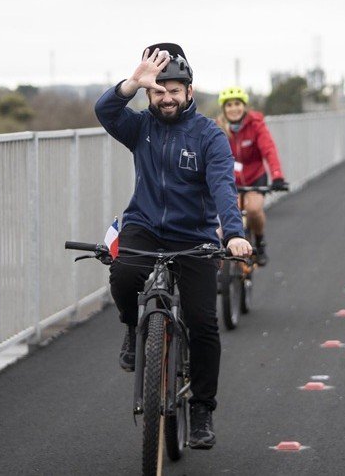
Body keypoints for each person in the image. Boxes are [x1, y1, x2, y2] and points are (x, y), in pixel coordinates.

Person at [95, 43, 251, 450]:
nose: (166, 98)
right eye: (158, 91)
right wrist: (132, 82)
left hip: (195, 235)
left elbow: (222, 184)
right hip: (144, 225)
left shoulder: (208, 136)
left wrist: (233, 233)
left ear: (189, 91)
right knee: (125, 273)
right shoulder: (140, 127)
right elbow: (105, 112)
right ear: (150, 94)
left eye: (174, 90)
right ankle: (133, 327)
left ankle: (201, 410)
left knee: (203, 323)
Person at [214, 86, 286, 266]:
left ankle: (260, 243)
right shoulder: (217, 128)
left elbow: (269, 150)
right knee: (228, 215)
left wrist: (277, 176)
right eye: (229, 105)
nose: (233, 108)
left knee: (253, 209)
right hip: (230, 181)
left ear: (244, 106)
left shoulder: (256, 124)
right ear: (224, 108)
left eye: (237, 104)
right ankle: (222, 267)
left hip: (255, 177)